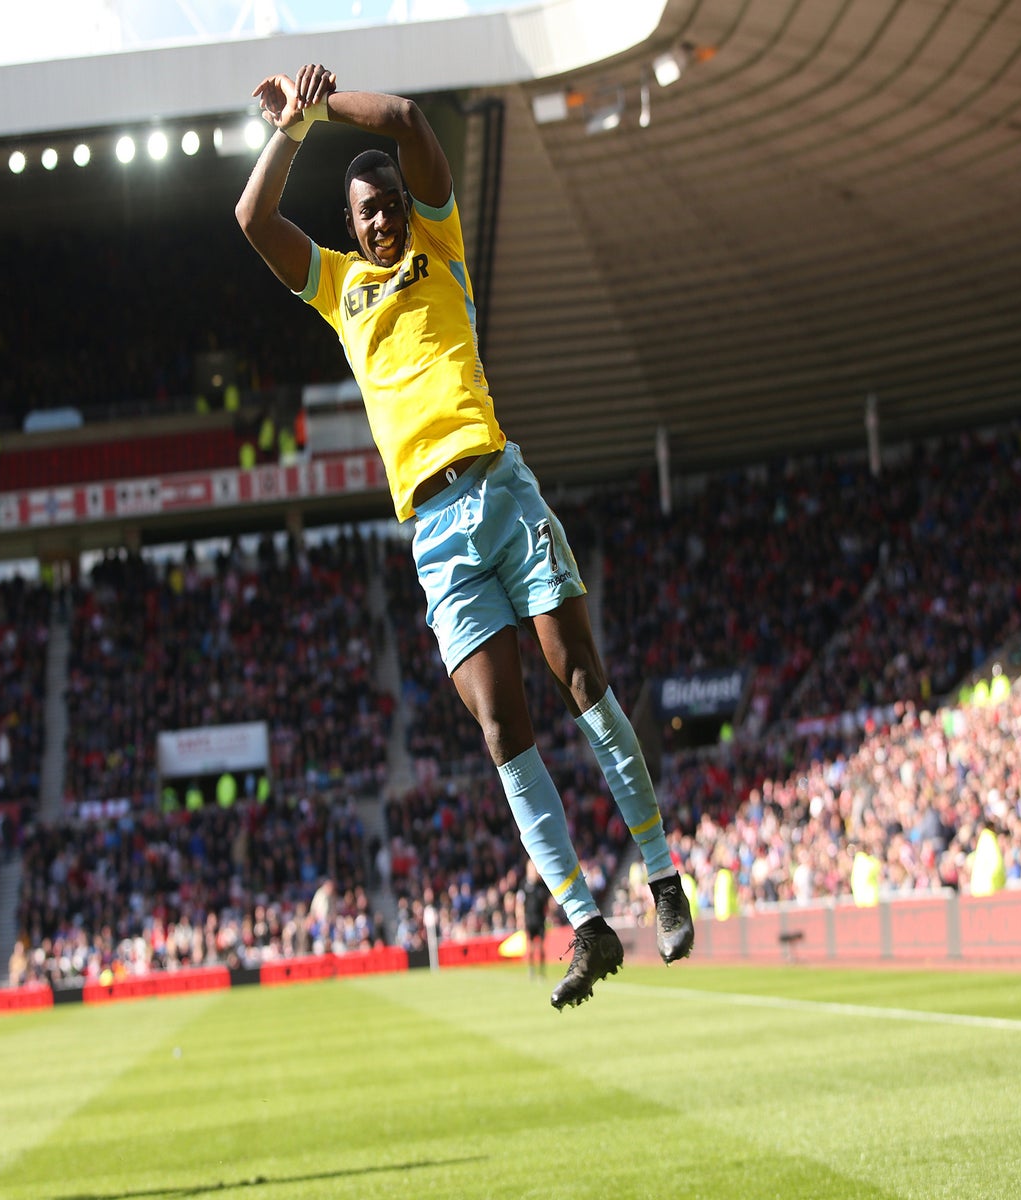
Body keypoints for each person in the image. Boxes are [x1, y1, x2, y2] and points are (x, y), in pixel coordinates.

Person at [236, 63, 693, 1010]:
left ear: (409, 205)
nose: (377, 220)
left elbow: (405, 116)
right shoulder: (338, 292)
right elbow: (252, 221)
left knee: (581, 679)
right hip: (436, 535)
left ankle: (661, 874)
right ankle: (586, 925)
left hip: (501, 487)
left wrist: (325, 106)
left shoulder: (441, 246)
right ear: (352, 222)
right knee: (501, 729)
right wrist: (288, 131)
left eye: (387, 203)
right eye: (363, 212)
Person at [516, 858, 552, 980]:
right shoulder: (524, 884)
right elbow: (520, 902)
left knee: (541, 947)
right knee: (530, 947)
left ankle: (542, 971)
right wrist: (520, 918)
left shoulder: (542, 886)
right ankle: (531, 969)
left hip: (540, 919)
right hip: (529, 919)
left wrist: (549, 915)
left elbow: (548, 903)